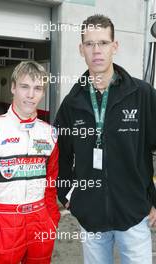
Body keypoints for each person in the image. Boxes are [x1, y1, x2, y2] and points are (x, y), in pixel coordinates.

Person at [54, 14, 156, 264]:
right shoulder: (72, 102)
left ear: (115, 46)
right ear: (81, 49)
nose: (96, 50)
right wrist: (68, 194)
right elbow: (60, 155)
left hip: (134, 216)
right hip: (92, 219)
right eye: (89, 44)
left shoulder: (141, 95)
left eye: (102, 43)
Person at [0, 61, 60, 264]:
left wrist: (52, 221)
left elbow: (51, 184)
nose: (31, 95)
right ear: (13, 87)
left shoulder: (50, 133)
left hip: (40, 220)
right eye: (25, 87)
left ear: (43, 93)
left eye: (38, 88)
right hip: (3, 220)